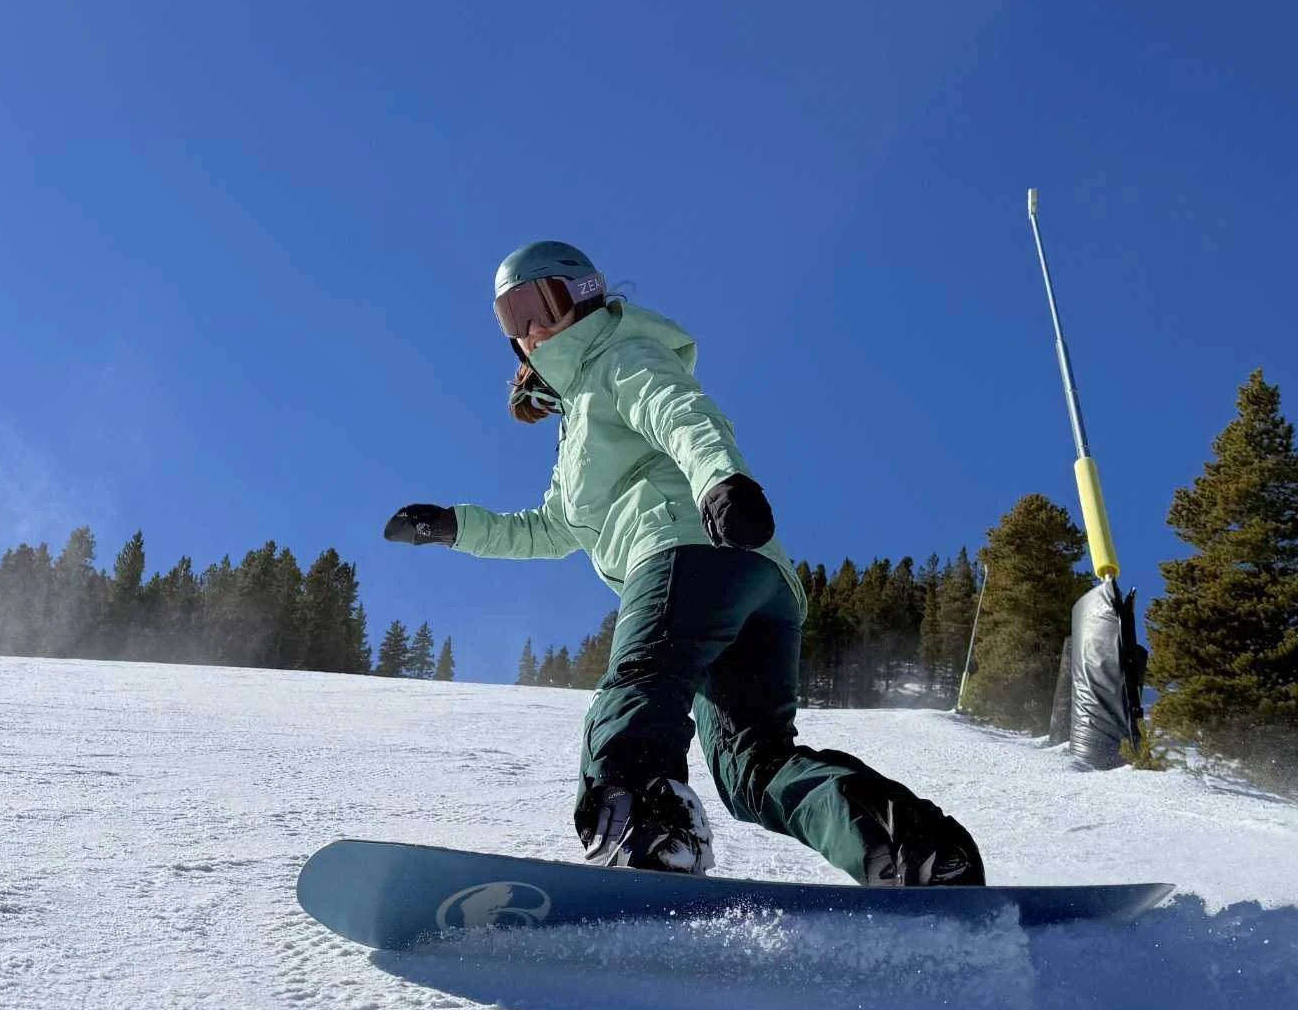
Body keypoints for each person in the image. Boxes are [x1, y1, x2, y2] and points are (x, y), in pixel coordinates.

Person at [384, 241, 984, 886]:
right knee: (753, 770)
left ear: (584, 297)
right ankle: (913, 849)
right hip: (751, 581)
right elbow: (554, 528)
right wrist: (454, 527)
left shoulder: (620, 356)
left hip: (686, 548)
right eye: (511, 318)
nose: (529, 331)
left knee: (638, 693)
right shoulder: (576, 424)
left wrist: (723, 479)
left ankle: (649, 839)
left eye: (541, 304)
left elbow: (681, 415)